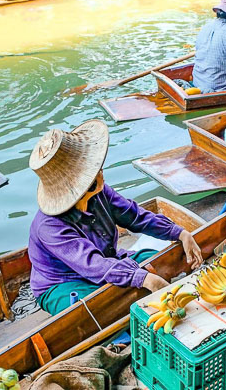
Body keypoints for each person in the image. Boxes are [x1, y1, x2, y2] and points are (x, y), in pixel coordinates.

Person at [28, 121, 203, 316]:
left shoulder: (100, 192)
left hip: (108, 260)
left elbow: (135, 216)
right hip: (64, 282)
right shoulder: (49, 226)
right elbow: (92, 264)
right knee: (96, 307)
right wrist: (143, 279)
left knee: (156, 262)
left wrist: (179, 233)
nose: (100, 170)